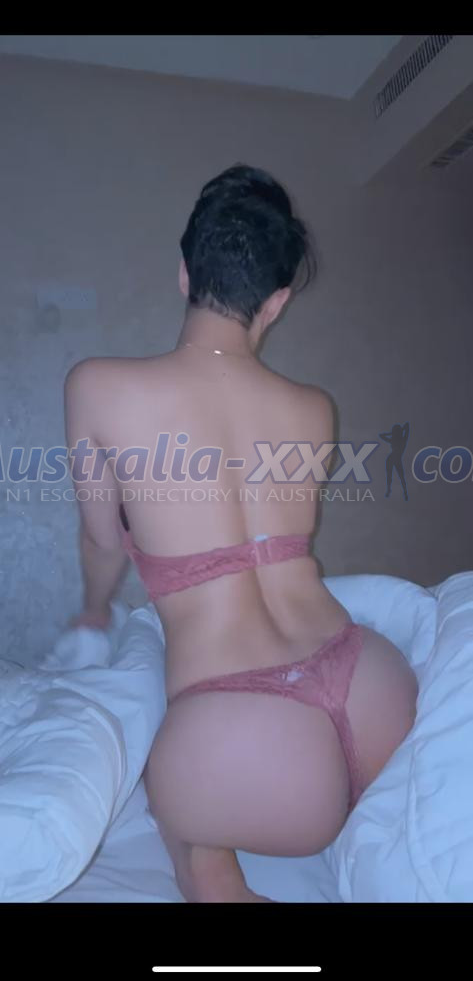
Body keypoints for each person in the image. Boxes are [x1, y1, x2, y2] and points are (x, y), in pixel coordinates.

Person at [65, 164, 418, 902]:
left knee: (168, 792)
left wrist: (95, 610)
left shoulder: (95, 385)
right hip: (374, 689)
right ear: (277, 301)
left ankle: (211, 871)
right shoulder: (313, 408)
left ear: (184, 271)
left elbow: (102, 543)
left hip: (247, 731)